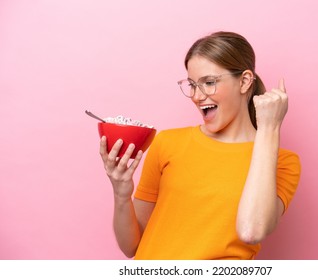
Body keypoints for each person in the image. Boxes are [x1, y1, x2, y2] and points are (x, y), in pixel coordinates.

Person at [99, 31, 301, 260]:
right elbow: (131, 247)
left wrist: (269, 128)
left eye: (209, 83)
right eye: (193, 85)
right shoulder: (167, 143)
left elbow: (251, 231)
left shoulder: (283, 162)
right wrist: (121, 194)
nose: (197, 96)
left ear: (244, 81)